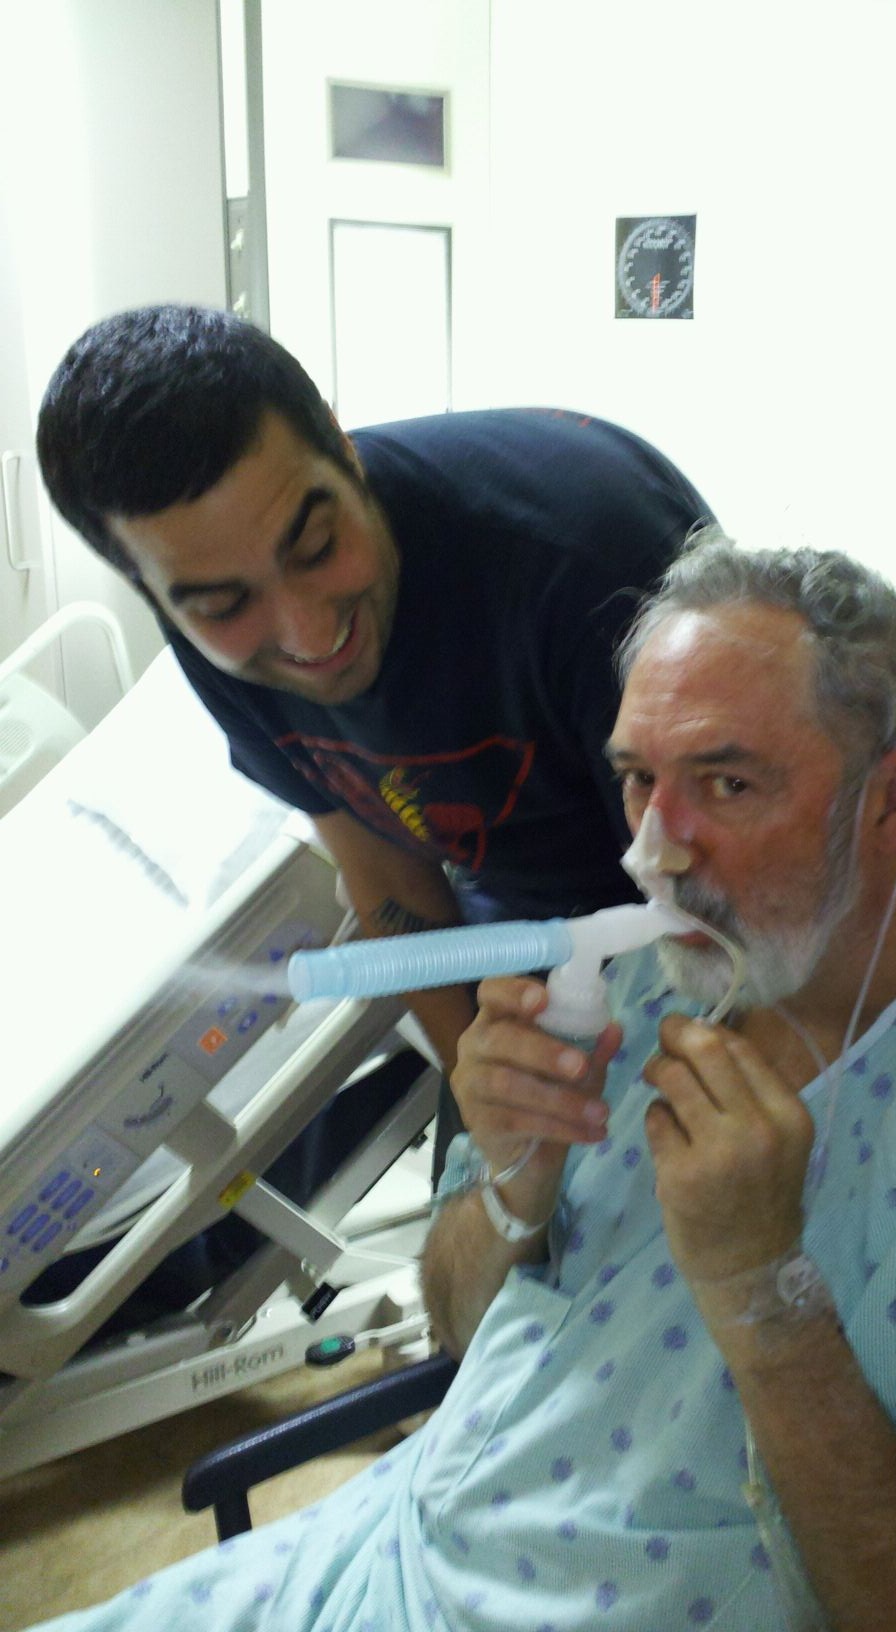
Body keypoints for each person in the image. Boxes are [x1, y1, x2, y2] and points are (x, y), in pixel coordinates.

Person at [23, 534, 896, 1632]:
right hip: (375, 1554)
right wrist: (511, 1185)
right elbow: (455, 1321)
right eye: (639, 778)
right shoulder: (643, 982)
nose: (652, 851)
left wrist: (764, 1293)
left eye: (727, 784)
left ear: (895, 796)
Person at [35, 304, 711, 1225]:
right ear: (148, 586)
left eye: (317, 548)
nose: (307, 634)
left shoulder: (584, 560)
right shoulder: (208, 641)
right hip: (520, 928)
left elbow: (743, 891)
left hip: (706, 908)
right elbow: (386, 875)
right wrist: (490, 1111)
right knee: (488, 1253)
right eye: (224, 605)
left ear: (343, 448)